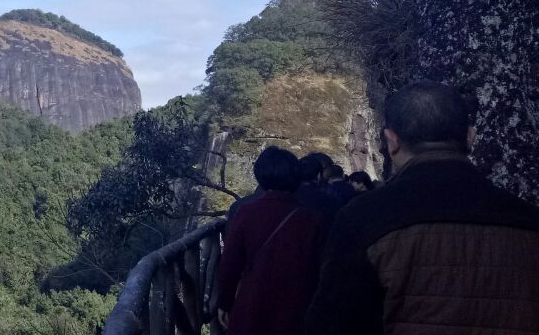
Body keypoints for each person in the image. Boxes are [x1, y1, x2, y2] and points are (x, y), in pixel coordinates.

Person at [306, 80, 539, 335]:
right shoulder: (527, 219)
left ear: (391, 141)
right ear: (470, 137)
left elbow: (332, 323)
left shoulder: (363, 218)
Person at [217, 146, 328, 335]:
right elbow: (321, 268)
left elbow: (230, 265)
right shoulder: (312, 219)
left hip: (253, 305)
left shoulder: (246, 212)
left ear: (261, 175)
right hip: (297, 309)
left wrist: (224, 303)